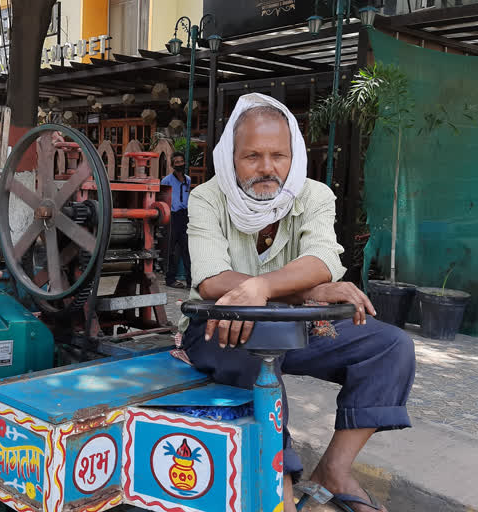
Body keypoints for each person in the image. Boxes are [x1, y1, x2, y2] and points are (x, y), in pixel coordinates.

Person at [180, 93, 415, 512]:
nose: (267, 168)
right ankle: (280, 482)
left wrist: (264, 288)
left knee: (391, 347)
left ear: (295, 156)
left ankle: (335, 470)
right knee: (256, 364)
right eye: (252, 155)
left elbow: (323, 260)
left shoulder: (315, 195)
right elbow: (212, 279)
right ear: (230, 157)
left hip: (297, 324)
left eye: (278, 155)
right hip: (223, 326)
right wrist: (301, 289)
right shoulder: (206, 197)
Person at [161, 151, 192, 289]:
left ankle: (191, 280)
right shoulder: (166, 180)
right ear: (172, 165)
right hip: (172, 216)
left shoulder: (188, 179)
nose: (180, 164)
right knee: (171, 249)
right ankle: (170, 279)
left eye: (181, 161)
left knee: (187, 248)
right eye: (177, 162)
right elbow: (162, 198)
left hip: (184, 216)